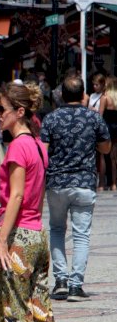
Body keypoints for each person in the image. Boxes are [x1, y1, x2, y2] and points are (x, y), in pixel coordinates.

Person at [0, 82, 57, 322]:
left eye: (1, 108)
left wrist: (1, 239)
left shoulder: (18, 146)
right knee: (40, 310)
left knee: (14, 310)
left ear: (19, 112)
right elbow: (35, 195)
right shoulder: (39, 145)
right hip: (37, 234)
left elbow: (17, 195)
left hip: (20, 239)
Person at [41, 77, 111, 302]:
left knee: (57, 229)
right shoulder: (93, 117)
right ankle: (75, 285)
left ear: (61, 94)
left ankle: (60, 281)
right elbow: (106, 147)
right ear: (83, 95)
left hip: (57, 183)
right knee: (81, 235)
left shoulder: (51, 118)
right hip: (84, 182)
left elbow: (43, 150)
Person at [101, 76, 117, 190]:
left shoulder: (105, 98)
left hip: (107, 128)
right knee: (114, 157)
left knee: (103, 156)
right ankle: (114, 184)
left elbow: (100, 116)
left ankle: (101, 184)